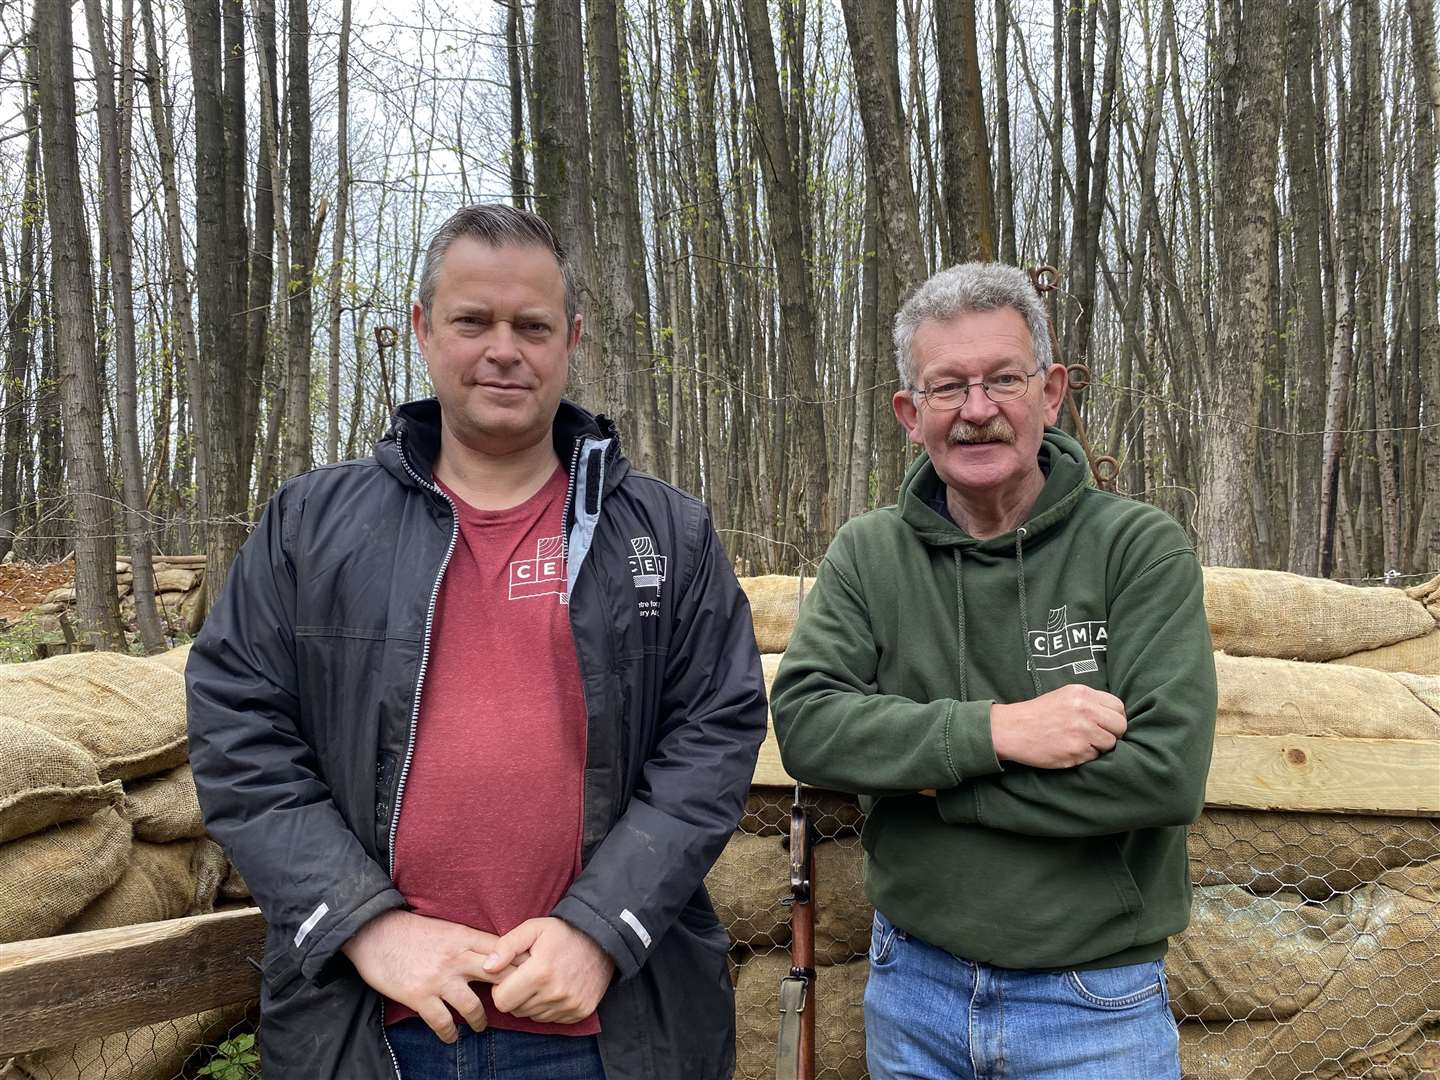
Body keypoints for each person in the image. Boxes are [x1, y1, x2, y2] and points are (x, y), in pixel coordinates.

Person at [187, 203, 767, 1080]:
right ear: (424, 329)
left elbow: (714, 737)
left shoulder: (667, 535)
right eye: (473, 321)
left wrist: (601, 929)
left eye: (532, 325)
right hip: (375, 1024)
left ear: (571, 337)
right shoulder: (311, 526)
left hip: (607, 1028)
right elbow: (239, 731)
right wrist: (365, 926)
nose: (504, 348)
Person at [770, 262, 1216, 1079]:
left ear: (1049, 392)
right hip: (914, 986)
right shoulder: (869, 556)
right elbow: (808, 723)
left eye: (1003, 380)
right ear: (911, 413)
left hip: (1094, 1002)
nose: (978, 411)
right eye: (948, 388)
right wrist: (1003, 730)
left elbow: (1162, 775)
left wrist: (937, 781)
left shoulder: (1138, 549)